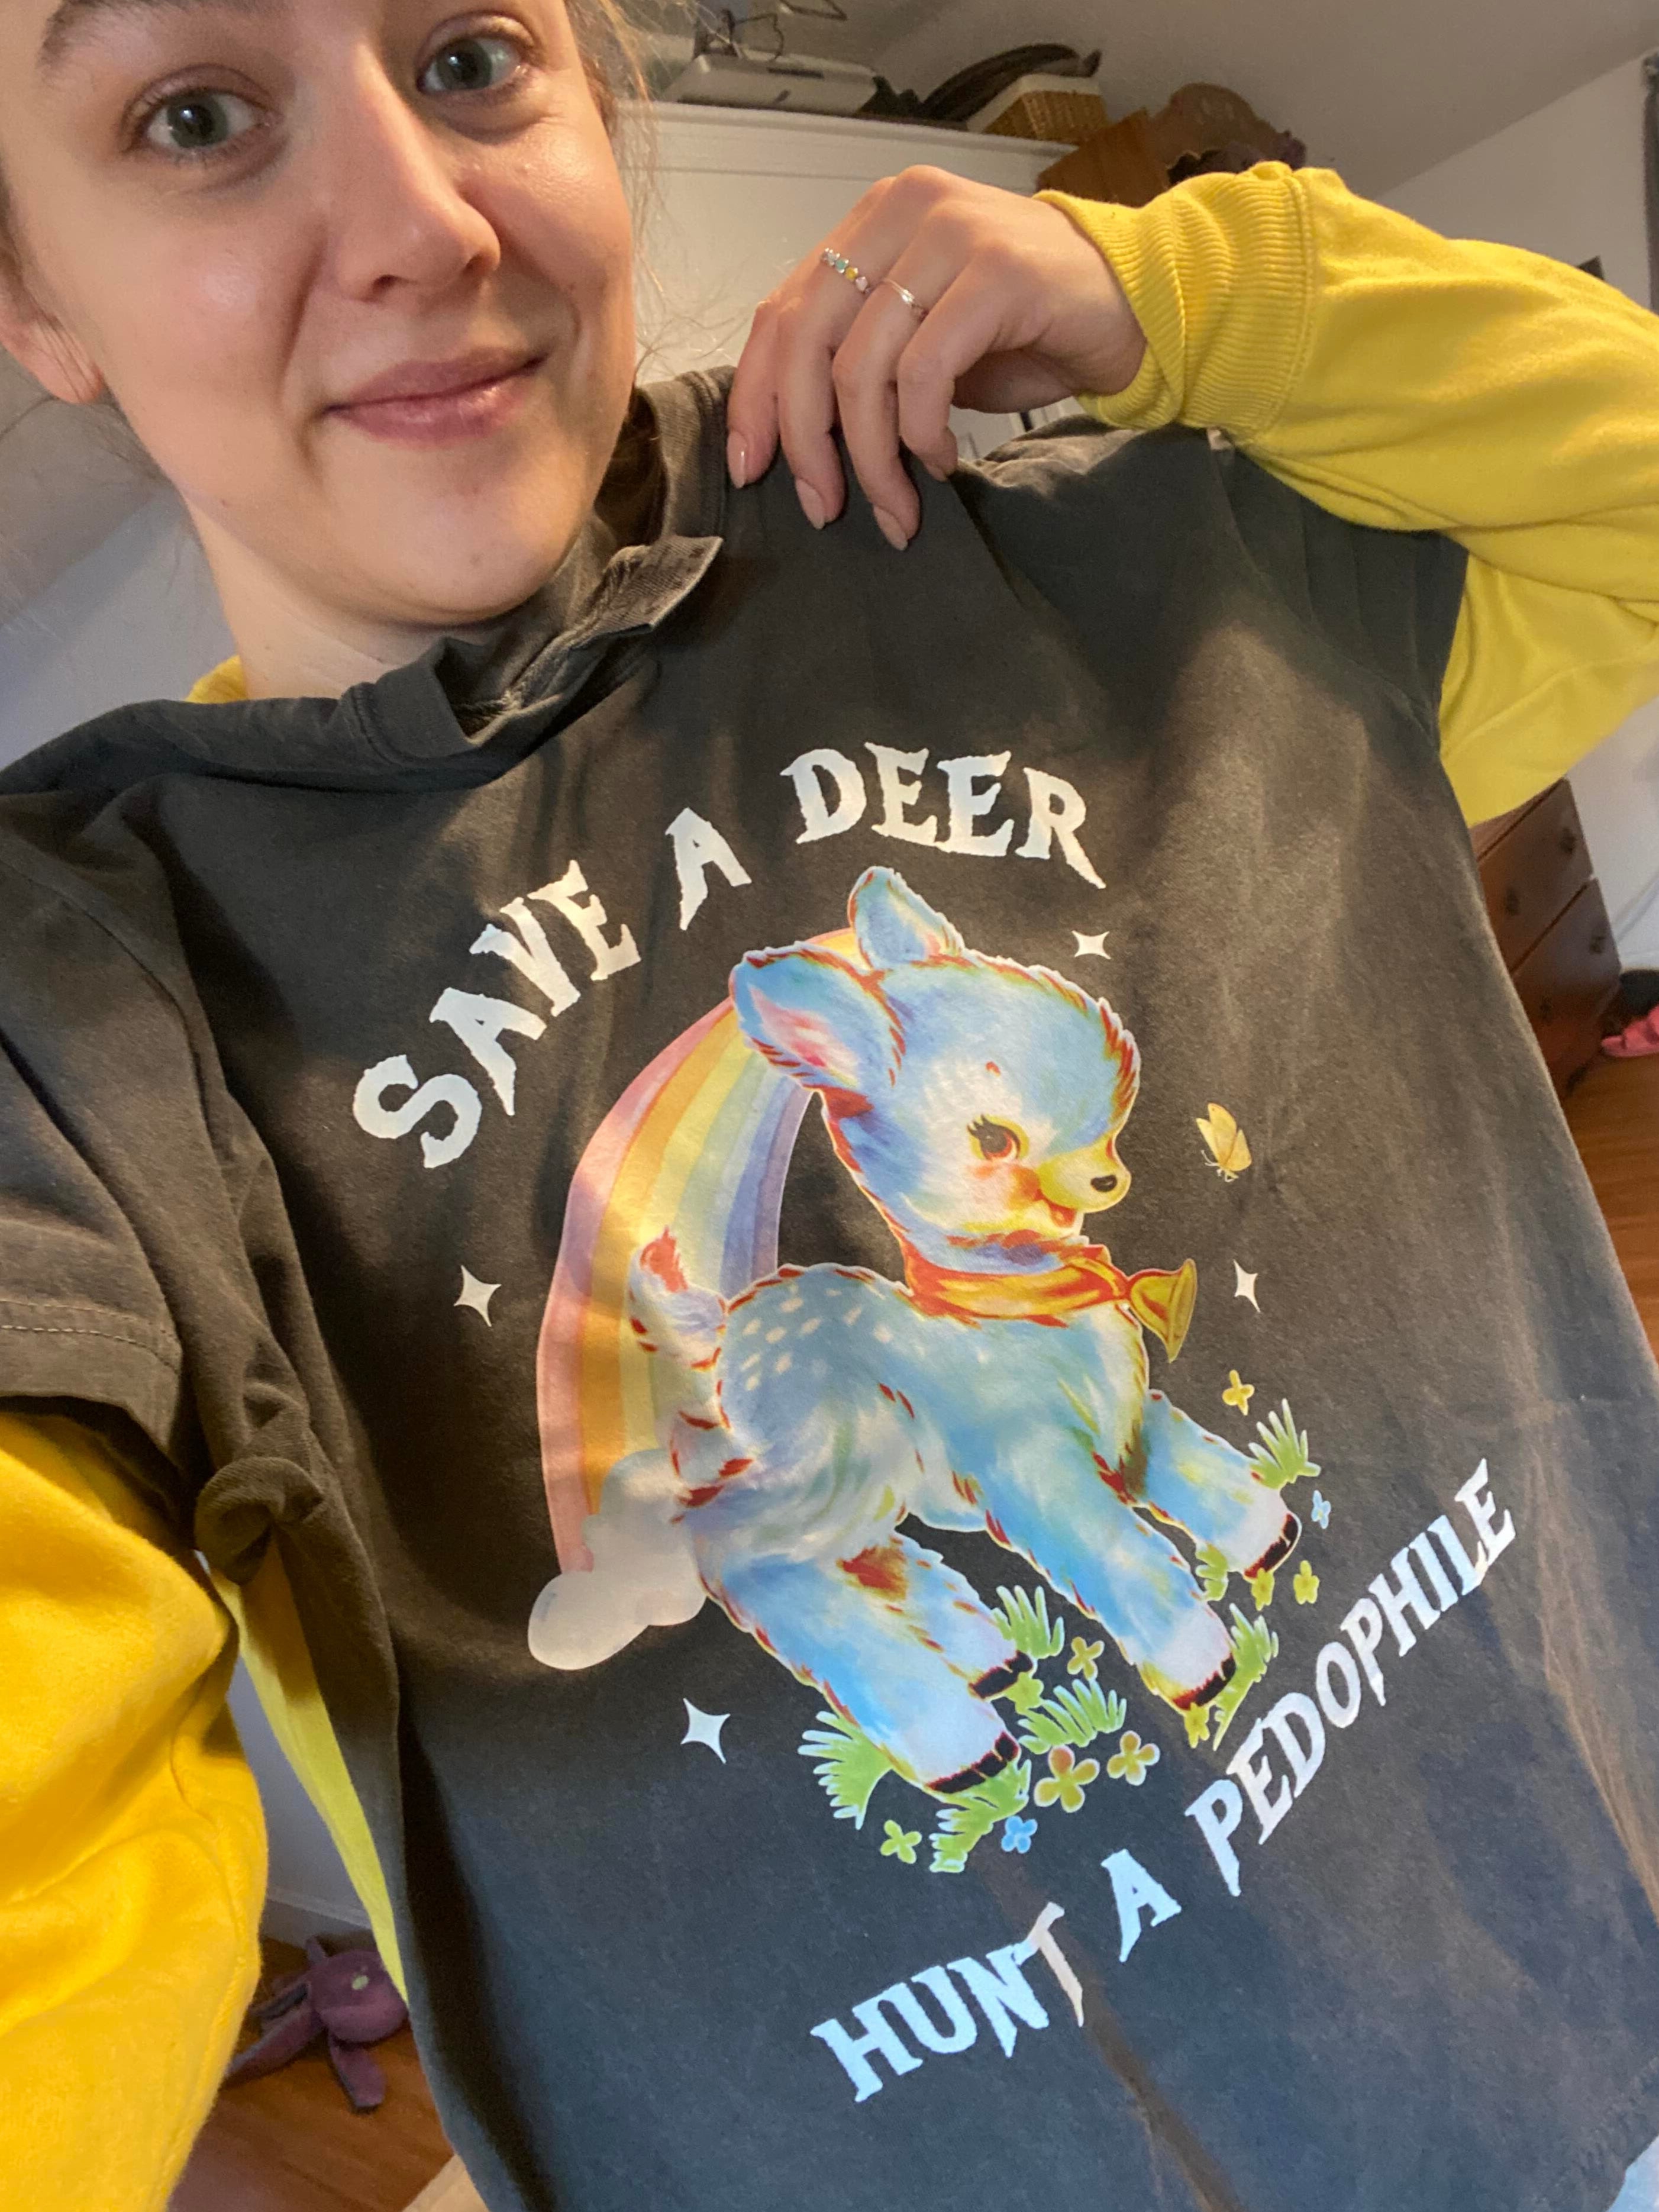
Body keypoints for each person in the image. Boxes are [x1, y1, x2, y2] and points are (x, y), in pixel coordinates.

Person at [0, 2, 1656, 2207]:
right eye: (194, 116)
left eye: (472, 57)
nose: (417, 224)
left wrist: (1189, 293)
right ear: (35, 293)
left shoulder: (1088, 554)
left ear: (605, 103)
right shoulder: (80, 1021)